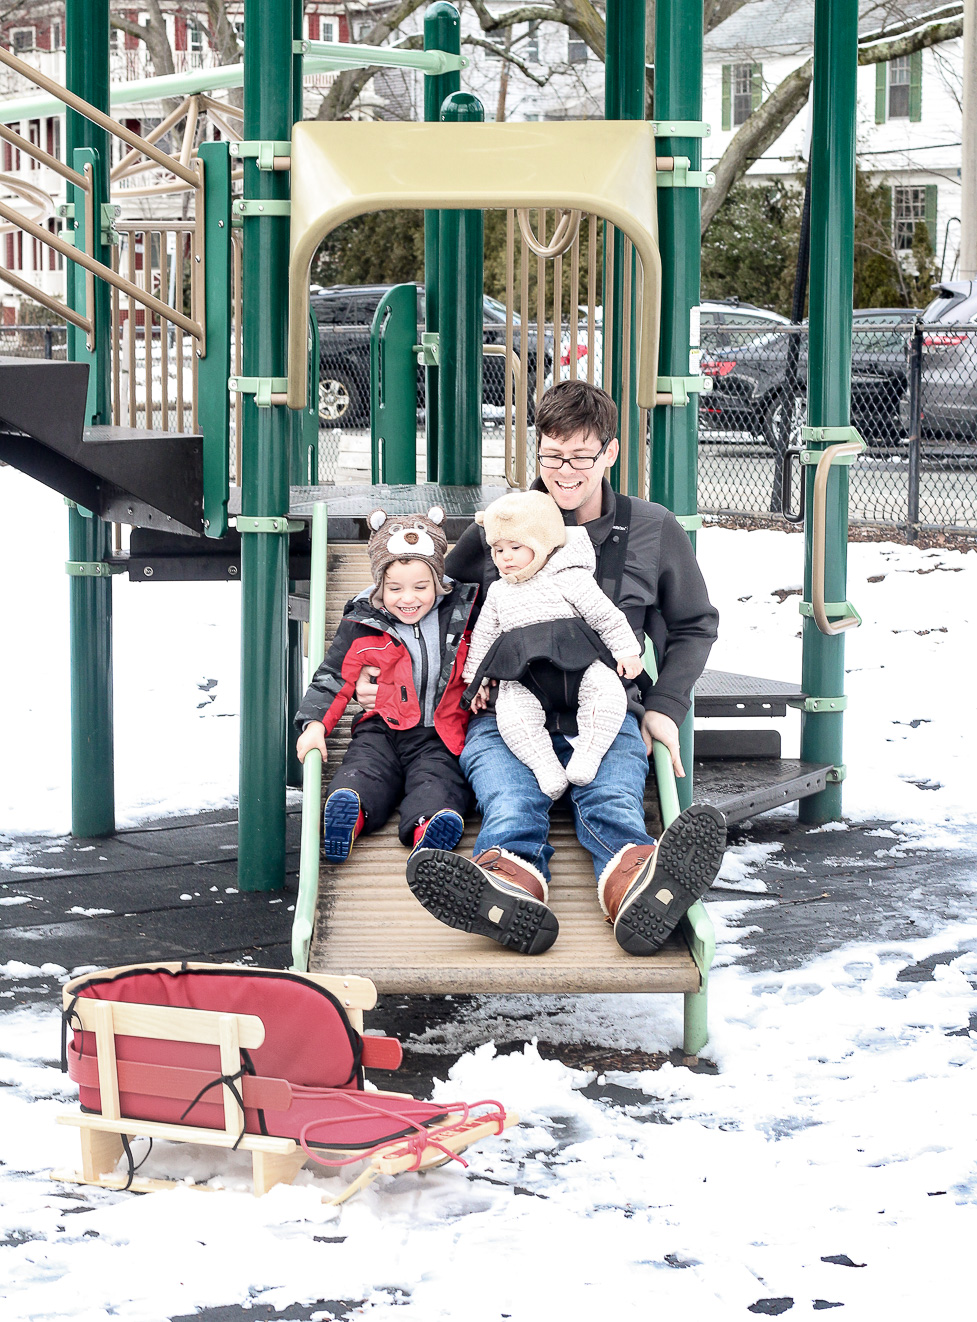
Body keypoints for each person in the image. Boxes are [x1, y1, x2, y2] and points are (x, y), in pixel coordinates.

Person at [364, 380, 724, 959]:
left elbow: (694, 624)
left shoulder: (654, 531)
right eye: (552, 455)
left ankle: (637, 882)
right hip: (510, 707)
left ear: (609, 453)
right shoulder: (500, 526)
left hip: (604, 709)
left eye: (580, 456)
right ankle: (508, 883)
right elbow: (435, 600)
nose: (564, 471)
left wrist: (664, 706)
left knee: (612, 799)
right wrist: (393, 664)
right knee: (509, 798)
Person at [295, 506, 475, 864]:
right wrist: (315, 724)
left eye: (421, 587)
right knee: (364, 771)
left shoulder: (462, 612)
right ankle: (349, 814)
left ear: (438, 581)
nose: (408, 598)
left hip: (440, 733)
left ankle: (429, 831)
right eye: (395, 588)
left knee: (439, 783)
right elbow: (334, 674)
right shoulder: (364, 622)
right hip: (382, 727)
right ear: (380, 584)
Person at [461, 488, 644, 799]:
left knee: (608, 695)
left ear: (542, 542)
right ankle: (544, 766)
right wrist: (474, 680)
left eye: (516, 547)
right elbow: (484, 637)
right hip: (524, 677)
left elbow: (605, 616)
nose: (505, 557)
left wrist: (626, 650)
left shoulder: (570, 577)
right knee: (513, 716)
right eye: (498, 549)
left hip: (579, 667)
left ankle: (589, 753)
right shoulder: (499, 593)